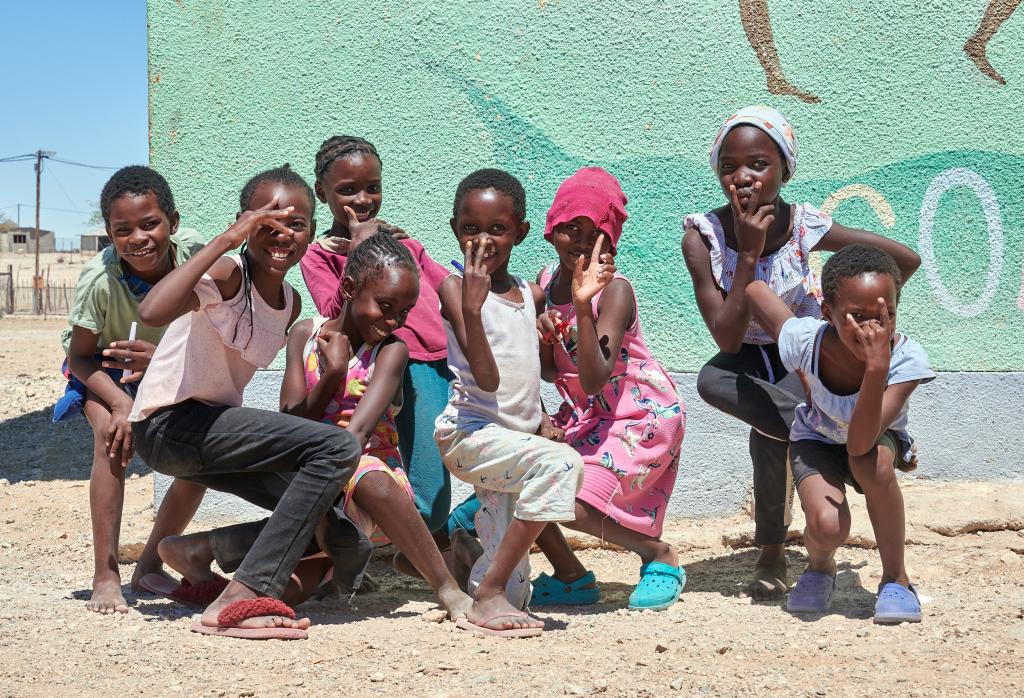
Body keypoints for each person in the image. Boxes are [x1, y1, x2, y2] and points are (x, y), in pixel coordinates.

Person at [156, 232, 472, 619]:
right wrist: (332, 373)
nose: (394, 320)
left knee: (366, 475)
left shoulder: (392, 351)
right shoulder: (304, 335)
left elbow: (355, 438)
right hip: (314, 482)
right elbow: (291, 421)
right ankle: (204, 563)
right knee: (295, 589)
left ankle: (448, 590)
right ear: (351, 288)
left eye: (405, 311)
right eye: (386, 305)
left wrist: (338, 376)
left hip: (375, 484)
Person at [681, 105, 921, 600]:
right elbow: (726, 339)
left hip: (804, 349)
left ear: (785, 169)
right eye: (729, 167)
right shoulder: (703, 236)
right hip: (748, 352)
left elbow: (904, 259)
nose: (742, 177)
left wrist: (860, 310)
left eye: (758, 164)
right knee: (719, 386)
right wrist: (748, 253)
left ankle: (772, 554)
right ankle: (834, 435)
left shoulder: (803, 225)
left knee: (772, 437)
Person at [129, 164, 362, 640]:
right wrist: (224, 239)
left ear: (312, 232)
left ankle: (197, 551)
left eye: (295, 223)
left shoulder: (291, 305)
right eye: (265, 220)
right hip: (169, 424)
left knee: (341, 532)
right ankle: (244, 594)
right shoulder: (227, 271)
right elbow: (152, 310)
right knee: (337, 449)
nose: (281, 233)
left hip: (212, 432)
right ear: (244, 223)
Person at [746, 244, 934, 623]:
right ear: (828, 313)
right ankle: (820, 568)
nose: (873, 329)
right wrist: (753, 256)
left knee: (873, 463)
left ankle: (896, 579)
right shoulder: (806, 340)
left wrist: (876, 369)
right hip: (816, 438)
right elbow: (755, 293)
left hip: (874, 442)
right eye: (857, 316)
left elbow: (861, 441)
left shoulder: (903, 360)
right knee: (829, 525)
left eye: (886, 315)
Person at [435, 168, 584, 638]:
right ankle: (487, 593)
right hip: (470, 436)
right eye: (470, 228)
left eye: (497, 229)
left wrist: (540, 416)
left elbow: (523, 369)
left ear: (519, 231)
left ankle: (468, 558)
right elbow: (486, 376)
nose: (483, 241)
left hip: (514, 442)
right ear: (455, 229)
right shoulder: (455, 289)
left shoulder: (530, 294)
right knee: (561, 467)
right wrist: (473, 310)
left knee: (520, 595)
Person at [531, 167, 686, 610]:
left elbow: (597, 376)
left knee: (567, 496)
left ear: (611, 241)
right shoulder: (543, 285)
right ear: (550, 229)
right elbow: (549, 371)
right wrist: (542, 336)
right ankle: (571, 578)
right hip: (588, 415)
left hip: (640, 415)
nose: (581, 243)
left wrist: (582, 305)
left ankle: (659, 554)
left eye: (594, 234)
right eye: (570, 229)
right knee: (522, 481)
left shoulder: (613, 293)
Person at [57, 165, 207, 614]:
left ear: (173, 223)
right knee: (113, 440)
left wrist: (161, 366)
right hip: (107, 371)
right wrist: (122, 402)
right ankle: (105, 574)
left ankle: (148, 563)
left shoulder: (195, 256)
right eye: (123, 230)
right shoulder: (99, 282)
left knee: (198, 454)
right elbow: (81, 358)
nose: (139, 237)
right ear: (108, 233)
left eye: (150, 224)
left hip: (172, 370)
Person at [300, 136, 454, 537]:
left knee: (432, 499)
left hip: (424, 366)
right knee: (356, 466)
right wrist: (360, 244)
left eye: (372, 187)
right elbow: (333, 311)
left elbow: (451, 294)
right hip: (364, 373)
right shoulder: (319, 255)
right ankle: (339, 546)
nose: (363, 199)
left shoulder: (404, 245)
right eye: (347, 190)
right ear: (322, 192)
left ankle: (436, 538)